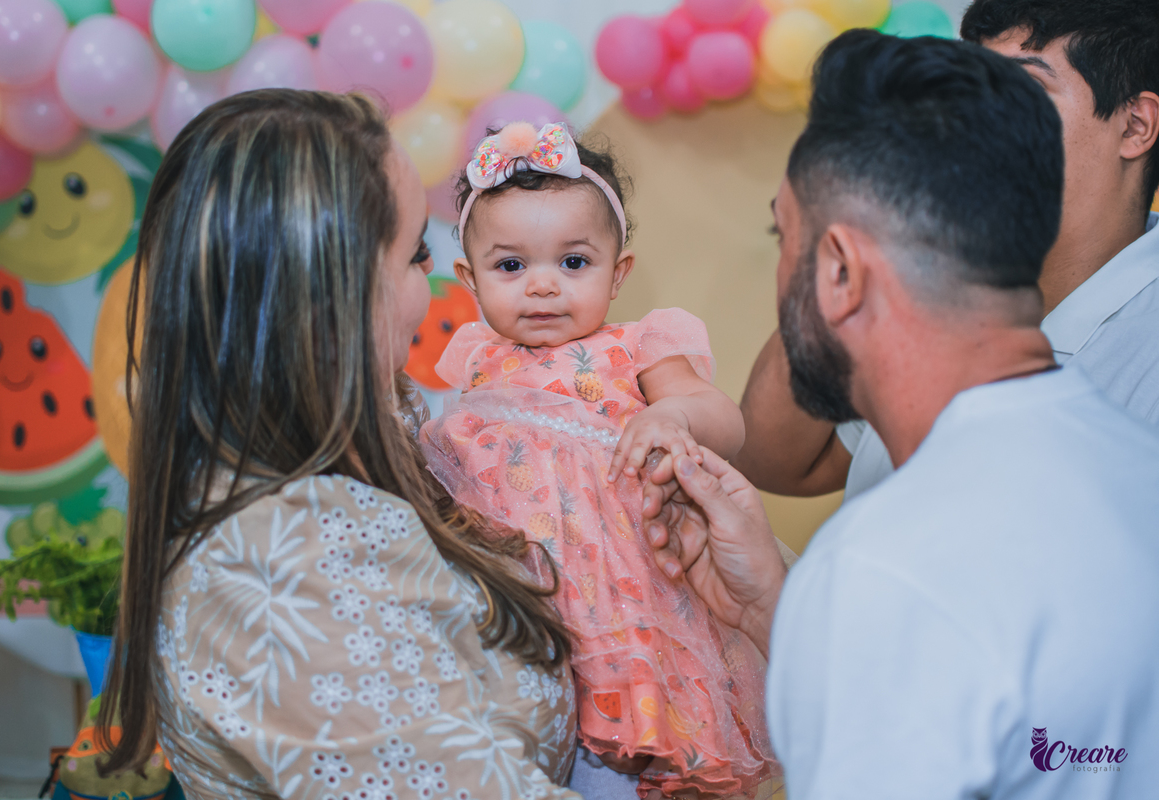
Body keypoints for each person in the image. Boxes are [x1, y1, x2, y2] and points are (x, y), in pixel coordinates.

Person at [642, 30, 1159, 799]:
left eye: (784, 237)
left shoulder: (885, 564)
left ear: (841, 270)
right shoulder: (1131, 463)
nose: (784, 277)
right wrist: (776, 615)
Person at [96, 90, 590, 800]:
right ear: (337, 297)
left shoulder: (371, 432)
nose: (436, 286)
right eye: (417, 253)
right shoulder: (281, 561)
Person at [418, 122, 778, 799]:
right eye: (511, 266)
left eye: (573, 263)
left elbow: (724, 420)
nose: (543, 287)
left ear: (619, 273)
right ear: (468, 278)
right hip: (515, 603)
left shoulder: (640, 346)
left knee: (621, 759)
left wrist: (670, 414)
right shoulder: (475, 360)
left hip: (623, 600)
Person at [733, 0, 1159, 501]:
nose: (977, 126)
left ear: (1135, 126)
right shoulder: (936, 264)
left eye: (1023, 91)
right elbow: (774, 460)